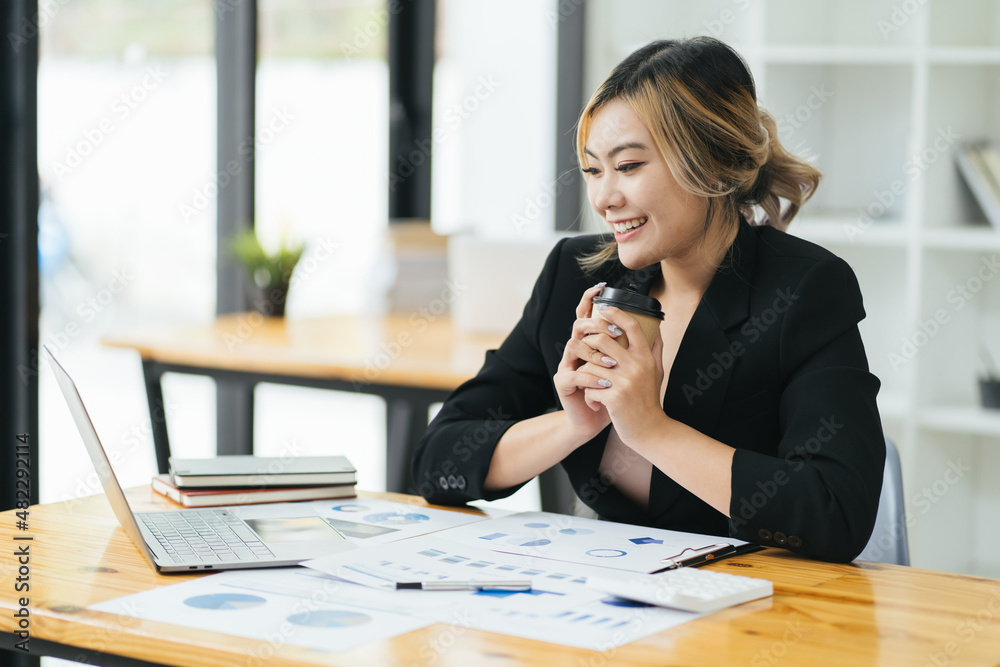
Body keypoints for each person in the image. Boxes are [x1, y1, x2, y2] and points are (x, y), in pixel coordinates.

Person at [411, 37, 885, 563]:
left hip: (751, 605)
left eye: (629, 166)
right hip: (607, 597)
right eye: (594, 170)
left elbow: (836, 513)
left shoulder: (806, 287)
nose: (603, 198)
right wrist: (572, 426)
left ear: (711, 163)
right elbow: (438, 458)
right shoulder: (574, 275)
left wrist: (650, 430)